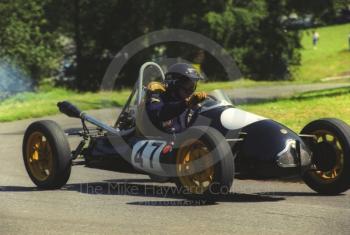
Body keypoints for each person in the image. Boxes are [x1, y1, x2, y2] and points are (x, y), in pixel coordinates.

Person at [145, 63, 207, 133]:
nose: (190, 92)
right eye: (187, 87)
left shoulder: (192, 100)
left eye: (193, 87)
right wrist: (185, 104)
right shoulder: (157, 96)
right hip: (158, 140)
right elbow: (159, 114)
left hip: (184, 140)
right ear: (174, 85)